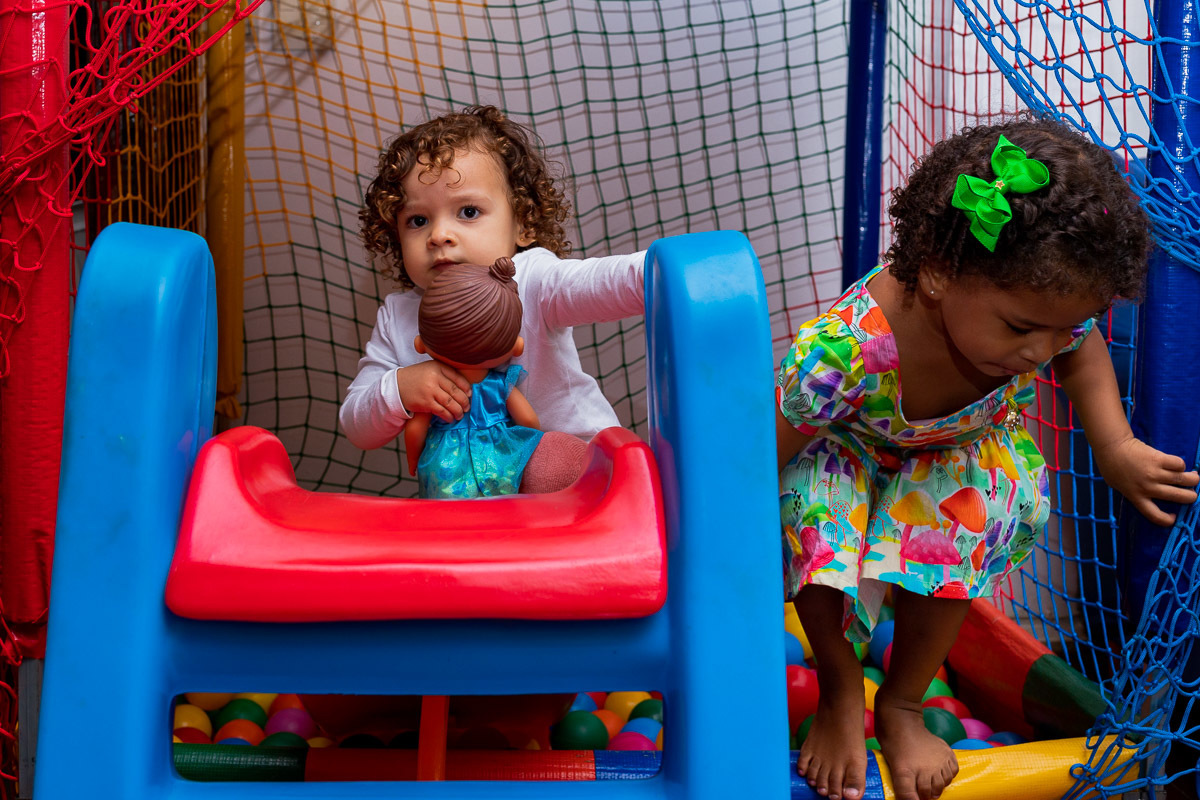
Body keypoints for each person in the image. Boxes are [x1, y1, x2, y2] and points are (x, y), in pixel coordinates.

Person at [776, 116, 1199, 800]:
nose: (1040, 350)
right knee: (820, 520)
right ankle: (840, 690)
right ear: (940, 275)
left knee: (975, 512)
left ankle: (904, 703)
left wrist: (1115, 446)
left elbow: (1081, 349)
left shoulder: (1040, 319)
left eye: (1058, 327)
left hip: (958, 453)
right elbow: (772, 450)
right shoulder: (846, 350)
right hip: (844, 450)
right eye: (1023, 329)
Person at [341, 105, 645, 492]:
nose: (439, 235)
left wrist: (663, 272)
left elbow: (602, 282)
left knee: (547, 464)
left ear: (522, 223)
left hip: (585, 483)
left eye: (468, 211)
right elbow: (356, 424)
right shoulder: (399, 316)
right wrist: (400, 387)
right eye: (418, 220)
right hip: (481, 501)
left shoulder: (534, 279)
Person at [405, 256, 547, 498]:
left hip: (444, 468)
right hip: (498, 465)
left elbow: (415, 430)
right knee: (500, 516)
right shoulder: (501, 386)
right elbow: (530, 421)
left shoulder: (435, 389)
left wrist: (413, 462)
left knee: (446, 520)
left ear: (421, 344)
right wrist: (524, 452)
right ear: (516, 346)